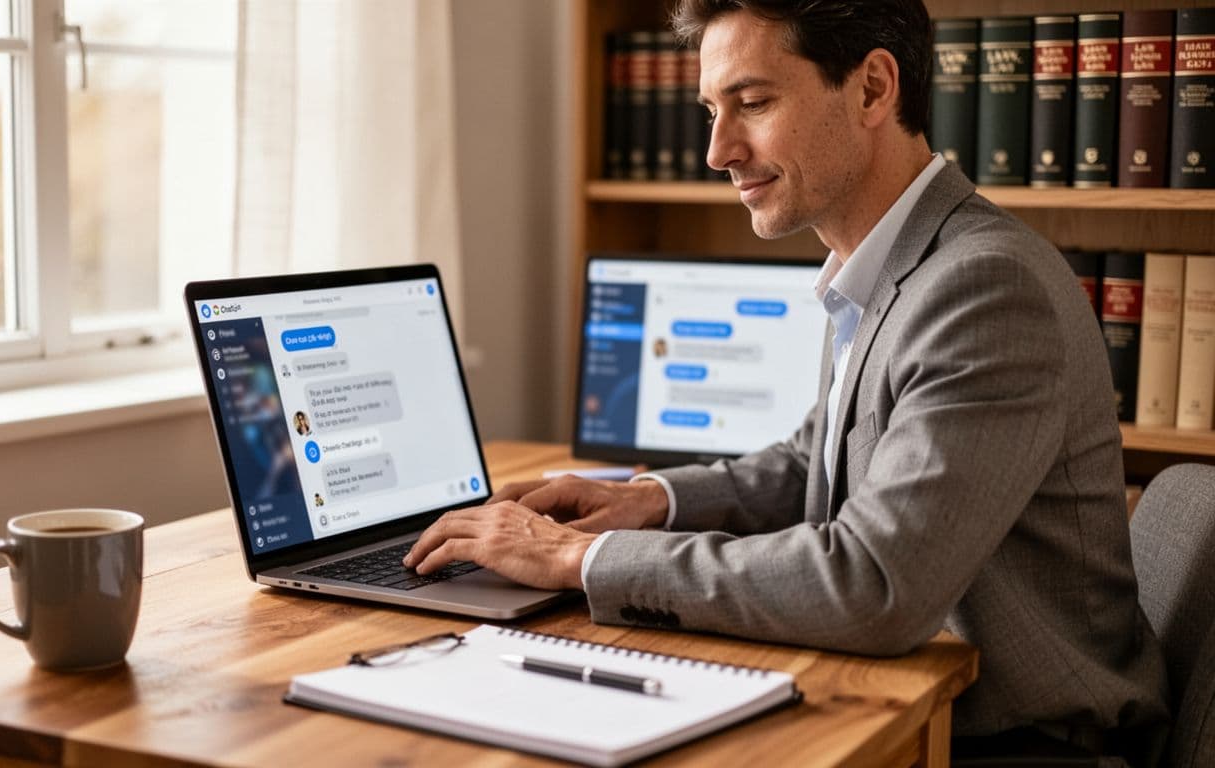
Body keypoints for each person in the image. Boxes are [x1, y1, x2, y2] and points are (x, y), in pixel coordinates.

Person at [405, 0, 1167, 757]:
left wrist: (577, 559)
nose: (717, 150)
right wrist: (646, 502)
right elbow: (818, 461)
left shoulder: (984, 287)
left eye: (754, 103)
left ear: (873, 89)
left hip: (1021, 745)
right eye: (711, 110)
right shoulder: (889, 264)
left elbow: (873, 585)